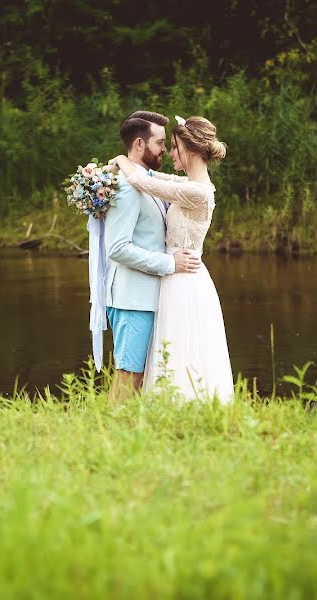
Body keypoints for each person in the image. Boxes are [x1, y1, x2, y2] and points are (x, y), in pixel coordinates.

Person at [110, 115, 233, 403]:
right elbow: (154, 178)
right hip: (173, 277)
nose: (171, 153)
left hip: (185, 279)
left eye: (175, 147)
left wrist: (120, 158)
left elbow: (144, 181)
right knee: (171, 345)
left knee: (184, 345)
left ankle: (186, 404)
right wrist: (111, 170)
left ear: (189, 150)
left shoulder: (197, 192)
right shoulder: (189, 184)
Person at [104, 111, 202, 400]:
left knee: (140, 377)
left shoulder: (146, 181)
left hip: (150, 298)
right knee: (128, 375)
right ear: (139, 144)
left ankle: (126, 432)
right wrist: (170, 263)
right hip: (132, 298)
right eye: (160, 143)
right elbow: (117, 248)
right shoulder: (127, 188)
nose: (164, 150)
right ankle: (106, 434)